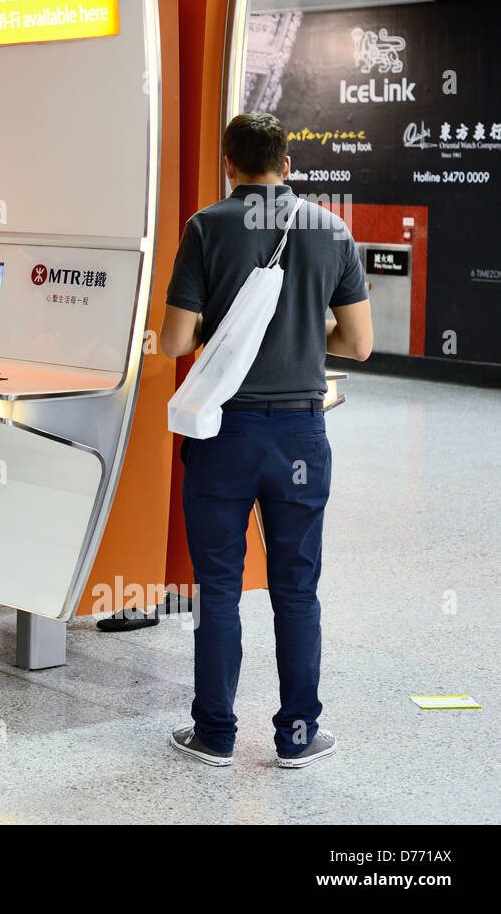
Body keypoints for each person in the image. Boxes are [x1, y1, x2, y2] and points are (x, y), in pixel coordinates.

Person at [160, 112, 372, 770]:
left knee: (218, 587)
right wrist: (307, 340)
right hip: (300, 436)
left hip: (224, 435)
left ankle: (216, 734)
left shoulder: (205, 227)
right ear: (287, 165)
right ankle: (298, 734)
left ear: (229, 163)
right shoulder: (330, 229)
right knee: (296, 586)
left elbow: (173, 340)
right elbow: (359, 343)